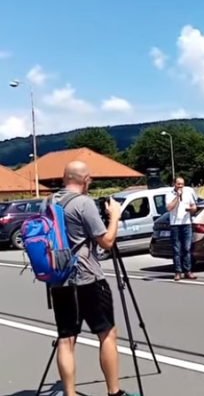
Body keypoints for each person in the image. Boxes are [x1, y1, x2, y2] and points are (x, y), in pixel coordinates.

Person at [49, 161, 137, 396]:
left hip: (58, 280)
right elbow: (106, 241)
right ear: (84, 179)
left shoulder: (48, 203)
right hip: (88, 278)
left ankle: (69, 393)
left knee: (66, 339)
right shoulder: (83, 204)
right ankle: (114, 391)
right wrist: (114, 217)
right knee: (107, 333)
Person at [166, 177, 198, 281]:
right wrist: (177, 197)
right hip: (175, 224)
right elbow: (169, 208)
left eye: (182, 184)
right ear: (174, 184)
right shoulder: (169, 194)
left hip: (186, 224)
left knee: (187, 248)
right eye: (179, 184)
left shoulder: (188, 192)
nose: (181, 186)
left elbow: (194, 206)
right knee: (176, 249)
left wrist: (192, 209)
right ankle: (177, 272)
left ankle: (188, 271)